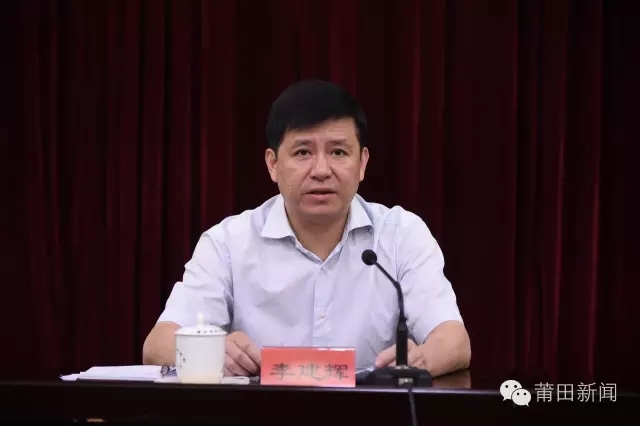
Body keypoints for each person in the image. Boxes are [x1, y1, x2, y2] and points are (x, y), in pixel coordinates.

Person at [142, 79, 471, 378]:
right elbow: (157, 345)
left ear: (362, 163)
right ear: (273, 164)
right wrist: (213, 351)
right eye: (303, 152)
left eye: (338, 152)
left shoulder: (401, 235)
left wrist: (421, 359)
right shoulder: (228, 243)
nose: (321, 170)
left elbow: (454, 341)